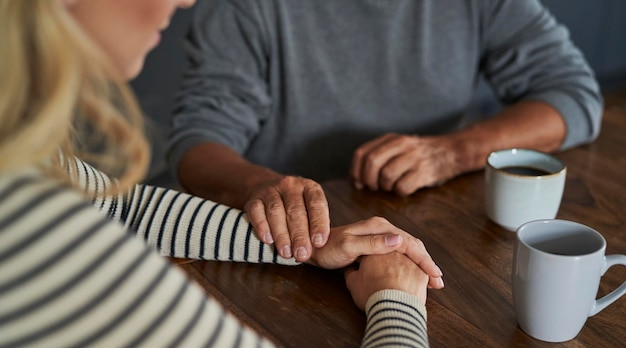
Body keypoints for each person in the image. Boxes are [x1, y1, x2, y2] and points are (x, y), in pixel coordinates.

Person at [0, 1, 445, 348]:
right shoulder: (30, 237)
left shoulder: (19, 159)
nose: (187, 1)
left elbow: (119, 210)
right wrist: (396, 298)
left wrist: (304, 243)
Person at [169, 0, 603, 264]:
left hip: (424, 233)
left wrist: (451, 153)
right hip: (286, 245)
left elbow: (574, 95)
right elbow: (197, 140)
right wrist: (261, 186)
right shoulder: (243, 8)